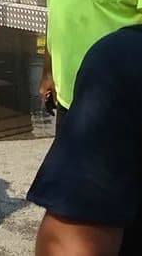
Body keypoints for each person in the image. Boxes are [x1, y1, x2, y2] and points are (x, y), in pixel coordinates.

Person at [28, 24, 142, 255]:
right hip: (90, 93)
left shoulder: (126, 56)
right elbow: (55, 16)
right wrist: (47, 71)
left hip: (109, 88)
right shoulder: (123, 58)